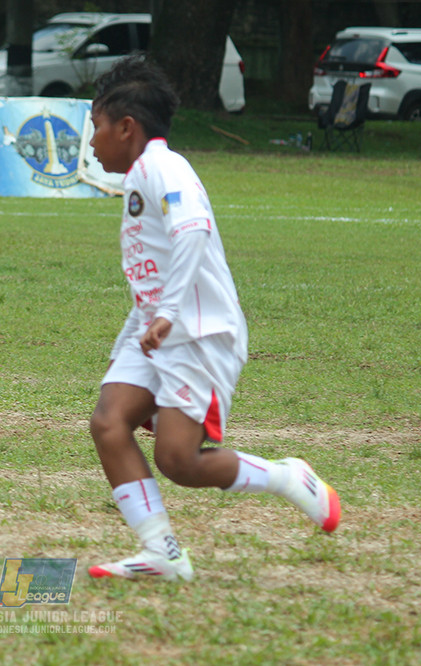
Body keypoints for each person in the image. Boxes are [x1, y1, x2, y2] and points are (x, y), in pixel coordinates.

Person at [85, 57, 340, 582]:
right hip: (155, 329)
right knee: (109, 423)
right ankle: (161, 552)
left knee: (180, 461)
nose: (92, 143)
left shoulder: (164, 166)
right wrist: (144, 323)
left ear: (126, 127)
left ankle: (288, 477)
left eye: (96, 128)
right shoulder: (142, 174)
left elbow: (193, 230)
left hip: (198, 332)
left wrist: (170, 314)